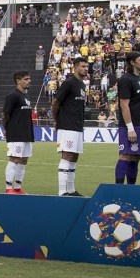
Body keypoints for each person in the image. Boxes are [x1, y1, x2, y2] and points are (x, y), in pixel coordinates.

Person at [52, 56, 88, 196]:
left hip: (77, 125)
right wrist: (57, 121)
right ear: (76, 67)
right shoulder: (69, 83)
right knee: (66, 156)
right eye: (83, 66)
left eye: (86, 66)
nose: (86, 69)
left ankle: (71, 190)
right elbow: (55, 103)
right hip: (67, 125)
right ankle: (62, 191)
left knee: (74, 157)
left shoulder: (82, 85)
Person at [115, 52, 140, 184]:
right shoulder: (125, 79)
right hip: (130, 126)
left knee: (136, 157)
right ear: (132, 62)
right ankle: (118, 188)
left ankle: (131, 189)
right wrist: (130, 128)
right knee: (126, 155)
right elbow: (124, 105)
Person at [3, 71, 34, 194]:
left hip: (27, 132)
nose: (29, 81)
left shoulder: (25, 96)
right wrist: (8, 130)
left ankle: (17, 187)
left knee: (24, 160)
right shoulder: (12, 95)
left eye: (29, 79)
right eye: (26, 79)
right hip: (16, 133)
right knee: (14, 159)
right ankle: (8, 187)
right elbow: (5, 114)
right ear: (18, 81)